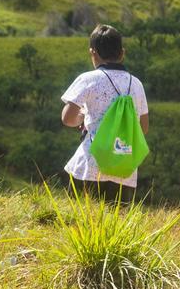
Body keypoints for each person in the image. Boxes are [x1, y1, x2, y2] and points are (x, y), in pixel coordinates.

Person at [60, 24, 149, 204]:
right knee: (115, 226)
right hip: (125, 170)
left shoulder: (89, 79)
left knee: (79, 222)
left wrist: (83, 118)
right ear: (122, 53)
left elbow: (68, 118)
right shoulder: (136, 84)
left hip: (91, 165)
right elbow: (143, 128)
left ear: (93, 52)